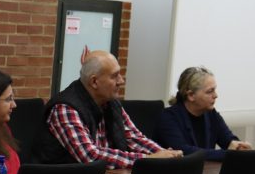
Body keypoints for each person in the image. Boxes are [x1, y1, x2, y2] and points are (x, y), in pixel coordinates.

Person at [32, 50, 182, 167]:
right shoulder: (65, 108)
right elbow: (90, 156)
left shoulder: (111, 102)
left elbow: (134, 138)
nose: (121, 81)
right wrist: (147, 159)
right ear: (94, 82)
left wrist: (165, 154)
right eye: (114, 76)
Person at [154, 66, 251, 159]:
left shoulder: (211, 114)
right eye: (210, 91)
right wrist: (228, 154)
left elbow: (228, 140)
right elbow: (184, 151)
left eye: (214, 90)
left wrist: (240, 147)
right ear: (191, 95)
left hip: (205, 169)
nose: (215, 95)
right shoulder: (168, 118)